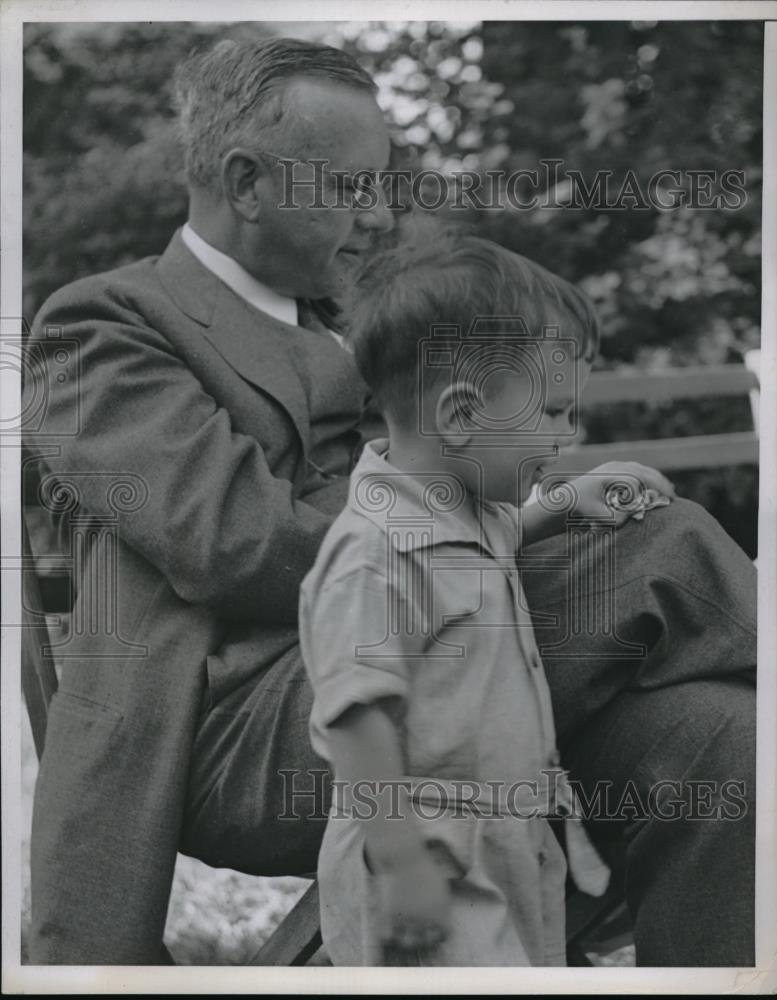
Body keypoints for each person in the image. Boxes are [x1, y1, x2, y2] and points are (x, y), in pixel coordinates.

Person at [23, 35, 756, 966]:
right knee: (665, 548)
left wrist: (549, 507)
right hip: (257, 722)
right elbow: (237, 543)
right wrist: (492, 529)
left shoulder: (358, 325)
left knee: (730, 749)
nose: (378, 215)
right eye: (351, 189)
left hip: (452, 671)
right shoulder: (104, 327)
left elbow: (462, 476)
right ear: (247, 183)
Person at [298, 233, 674, 966]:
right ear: (463, 416)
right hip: (426, 853)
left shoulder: (461, 509)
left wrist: (569, 500)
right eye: (557, 413)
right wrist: (401, 861)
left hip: (509, 841)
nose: (570, 434)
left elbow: (505, 533)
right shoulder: (372, 554)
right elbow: (353, 714)